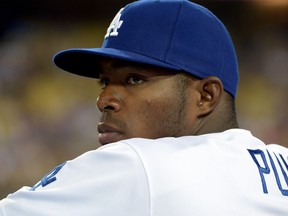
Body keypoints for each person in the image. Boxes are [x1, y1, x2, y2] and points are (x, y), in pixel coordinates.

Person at [1, 0, 287, 215]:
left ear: (206, 96)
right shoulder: (282, 163)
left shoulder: (138, 163)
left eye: (134, 79)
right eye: (104, 82)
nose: (104, 100)